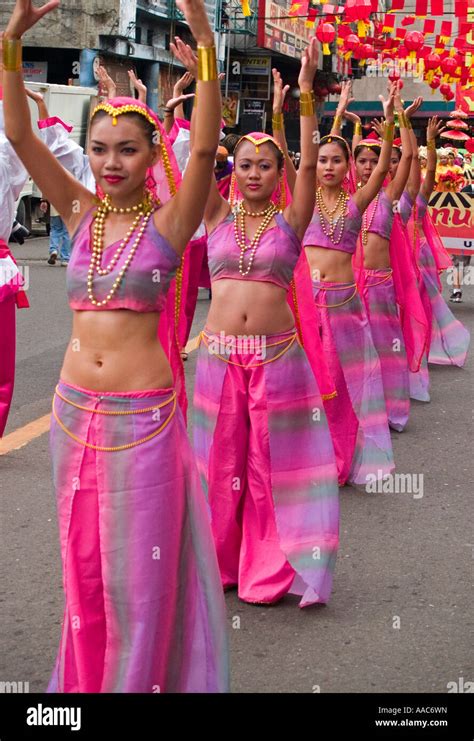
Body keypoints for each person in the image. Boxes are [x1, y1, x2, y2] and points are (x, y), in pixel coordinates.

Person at [3, 0, 228, 692]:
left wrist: (207, 45)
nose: (109, 162)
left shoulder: (171, 220)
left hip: (144, 418)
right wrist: (11, 41)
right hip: (73, 414)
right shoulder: (77, 209)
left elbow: (211, 135)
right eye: (99, 149)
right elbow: (19, 132)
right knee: (85, 563)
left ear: (153, 152)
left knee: (141, 573)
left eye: (126, 148)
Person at [175, 38, 340, 607]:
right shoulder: (215, 212)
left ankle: (268, 568)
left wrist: (307, 99)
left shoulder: (294, 219)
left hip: (278, 358)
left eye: (265, 165)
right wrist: (201, 75)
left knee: (270, 465)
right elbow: (199, 152)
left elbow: (312, 161)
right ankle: (217, 562)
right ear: (233, 168)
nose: (253, 173)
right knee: (217, 465)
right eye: (244, 163)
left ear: (278, 172)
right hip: (220, 356)